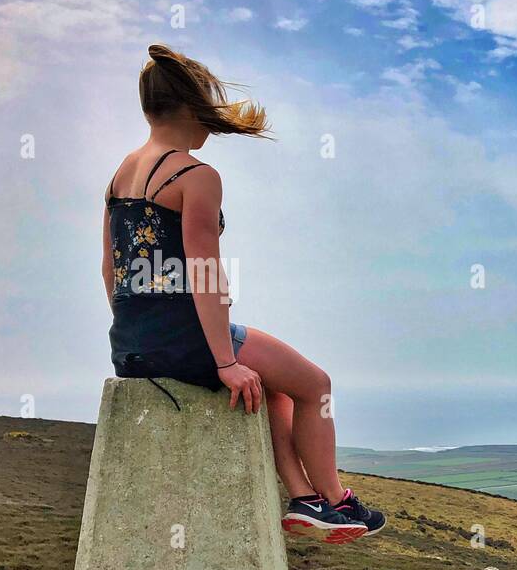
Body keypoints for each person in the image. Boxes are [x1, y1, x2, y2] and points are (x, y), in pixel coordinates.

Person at [104, 43, 384, 543]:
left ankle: (306, 500)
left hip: (132, 344)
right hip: (189, 339)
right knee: (316, 383)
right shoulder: (195, 176)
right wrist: (223, 362)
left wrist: (138, 337)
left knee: (276, 384)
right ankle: (338, 499)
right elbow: (206, 274)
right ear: (193, 109)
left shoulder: (120, 175)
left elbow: (110, 270)